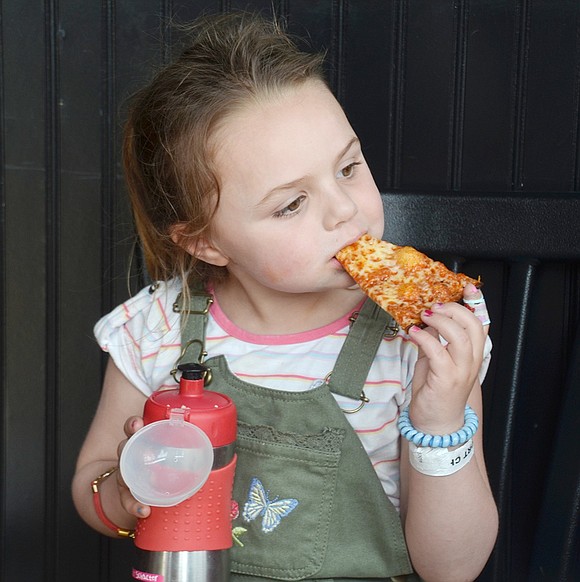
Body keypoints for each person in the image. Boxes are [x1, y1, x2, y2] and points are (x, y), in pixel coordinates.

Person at [72, 11, 498, 582]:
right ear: (206, 241)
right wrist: (129, 491)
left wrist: (441, 419)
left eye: (349, 167)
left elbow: (455, 569)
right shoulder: (157, 328)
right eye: (291, 204)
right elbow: (92, 487)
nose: (344, 210)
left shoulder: (424, 341)